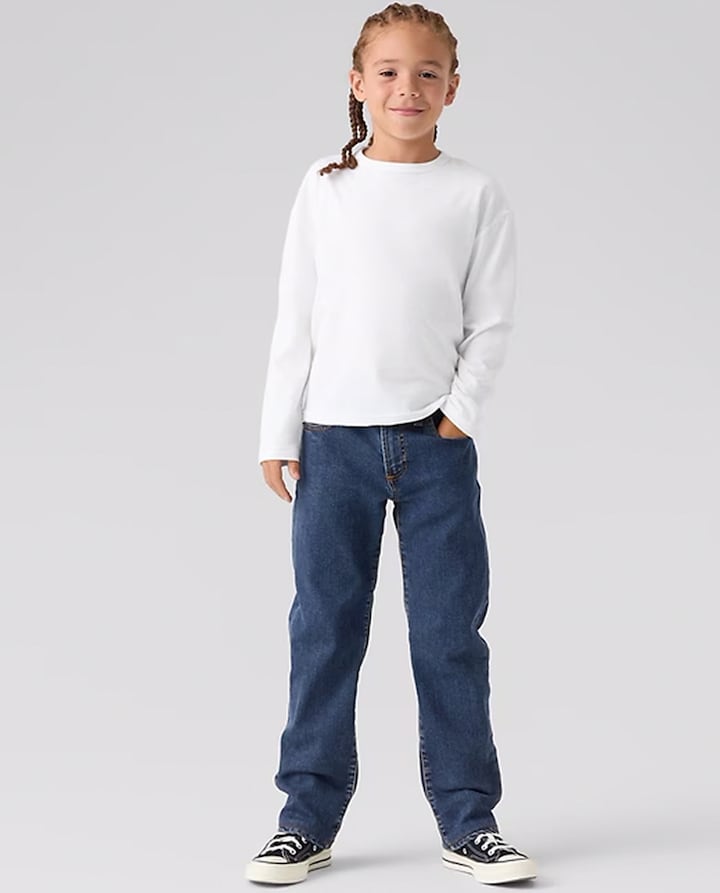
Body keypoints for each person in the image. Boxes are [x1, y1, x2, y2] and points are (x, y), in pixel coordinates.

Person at [246, 3, 537, 886]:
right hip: (331, 443)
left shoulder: (473, 193)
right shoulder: (324, 187)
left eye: (426, 73)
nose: (407, 87)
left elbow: (490, 320)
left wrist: (459, 416)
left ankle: (469, 819)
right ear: (357, 82)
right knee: (324, 630)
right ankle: (304, 818)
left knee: (449, 636)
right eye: (388, 71)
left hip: (434, 448)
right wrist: (278, 429)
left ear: (453, 88)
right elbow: (296, 313)